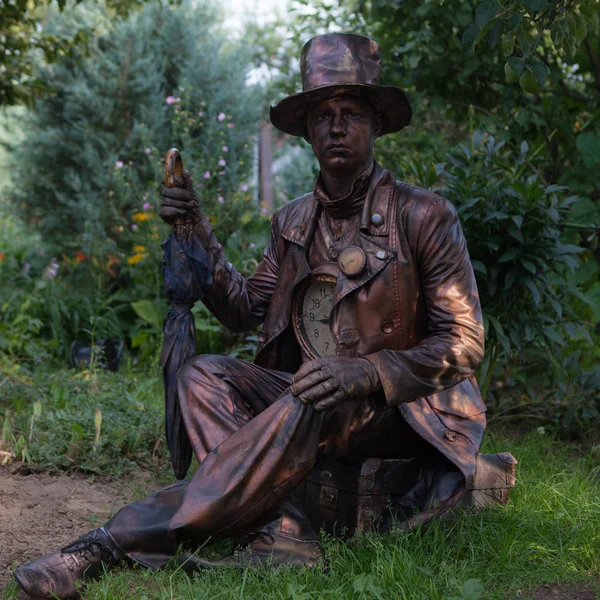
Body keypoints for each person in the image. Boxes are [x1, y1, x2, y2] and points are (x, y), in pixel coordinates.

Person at [14, 33, 486, 600]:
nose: (336, 126)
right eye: (322, 115)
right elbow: (242, 310)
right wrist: (197, 230)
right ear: (308, 131)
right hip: (306, 402)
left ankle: (100, 546)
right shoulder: (293, 222)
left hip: (396, 412)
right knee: (202, 375)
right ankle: (283, 528)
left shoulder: (423, 215)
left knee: (313, 394)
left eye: (351, 113)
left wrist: (366, 373)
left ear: (376, 124)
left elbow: (464, 342)